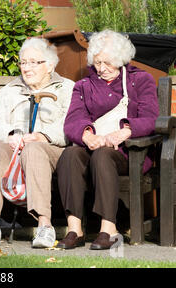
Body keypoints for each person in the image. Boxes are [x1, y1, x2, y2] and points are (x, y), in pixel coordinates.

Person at [56, 29, 159, 250]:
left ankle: (108, 229)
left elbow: (151, 119)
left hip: (129, 153)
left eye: (107, 62)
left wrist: (125, 132)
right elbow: (73, 120)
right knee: (70, 154)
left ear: (121, 59)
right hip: (95, 148)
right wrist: (87, 135)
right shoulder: (84, 86)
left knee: (103, 156)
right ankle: (75, 229)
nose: (101, 68)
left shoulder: (140, 80)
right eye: (97, 62)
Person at [0, 38, 75, 249]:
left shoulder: (67, 88)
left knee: (35, 149)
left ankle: (44, 226)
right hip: (14, 148)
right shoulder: (9, 91)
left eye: (33, 63)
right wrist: (11, 134)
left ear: (50, 65)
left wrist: (43, 136)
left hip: (50, 150)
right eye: (23, 62)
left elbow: (70, 126)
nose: (26, 68)